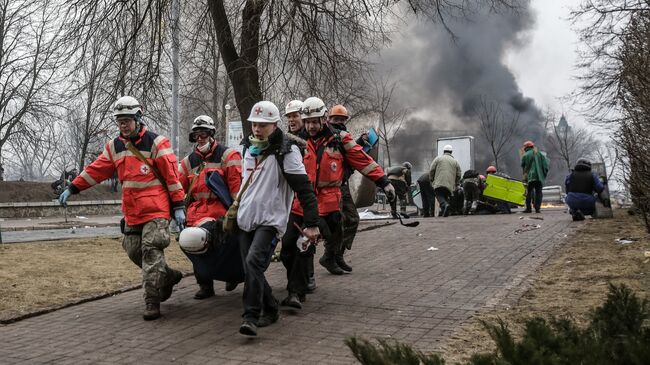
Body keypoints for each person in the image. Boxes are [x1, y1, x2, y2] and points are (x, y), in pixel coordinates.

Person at [58, 96, 186, 320]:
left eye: (126, 120)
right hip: (132, 212)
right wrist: (73, 187)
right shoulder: (114, 147)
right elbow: (96, 170)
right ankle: (168, 276)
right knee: (134, 251)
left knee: (151, 250)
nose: (123, 125)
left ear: (138, 118)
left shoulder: (157, 143)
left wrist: (178, 206)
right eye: (119, 121)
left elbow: (173, 178)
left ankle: (151, 301)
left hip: (156, 210)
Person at [284, 97, 395, 286]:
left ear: (323, 119)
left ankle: (310, 275)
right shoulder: (296, 141)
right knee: (291, 244)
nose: (310, 126)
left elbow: (363, 160)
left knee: (313, 237)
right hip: (303, 200)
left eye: (314, 121)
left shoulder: (339, 139)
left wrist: (384, 181)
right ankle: (304, 278)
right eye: (307, 121)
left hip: (329, 203)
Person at [236, 100, 320, 337]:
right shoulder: (247, 148)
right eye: (254, 124)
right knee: (249, 268)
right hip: (245, 219)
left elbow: (304, 190)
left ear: (274, 125)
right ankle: (271, 308)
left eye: (263, 125)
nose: (257, 129)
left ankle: (250, 317)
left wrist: (312, 223)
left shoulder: (287, 151)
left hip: (270, 221)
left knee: (253, 262)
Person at [178, 115, 243, 299]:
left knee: (223, 247)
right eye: (196, 135)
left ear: (211, 133)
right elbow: (176, 189)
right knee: (192, 245)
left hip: (220, 215)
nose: (200, 138)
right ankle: (205, 284)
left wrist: (236, 213)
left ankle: (233, 274)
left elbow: (235, 189)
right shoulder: (187, 162)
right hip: (194, 216)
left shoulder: (228, 156)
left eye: (204, 133)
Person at [429, 144, 461, 217]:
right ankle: (445, 212)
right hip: (450, 184)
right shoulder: (455, 161)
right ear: (451, 152)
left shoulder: (438, 159)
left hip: (439, 182)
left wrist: (431, 179)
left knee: (439, 195)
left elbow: (432, 169)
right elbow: (459, 174)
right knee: (445, 196)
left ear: (443, 151)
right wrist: (456, 183)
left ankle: (445, 205)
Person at [521, 140, 549, 213]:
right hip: (539, 177)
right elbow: (546, 165)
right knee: (539, 192)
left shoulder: (525, 155)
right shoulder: (539, 153)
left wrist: (525, 176)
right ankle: (537, 209)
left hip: (530, 177)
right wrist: (543, 175)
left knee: (529, 192)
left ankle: (528, 209)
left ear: (526, 148)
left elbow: (523, 165)